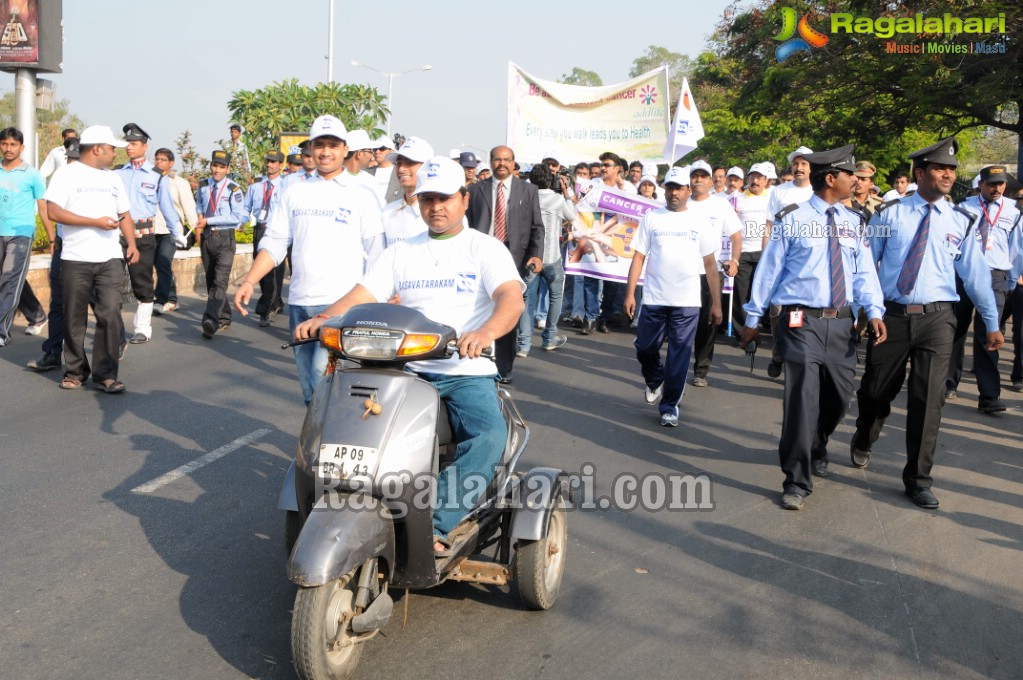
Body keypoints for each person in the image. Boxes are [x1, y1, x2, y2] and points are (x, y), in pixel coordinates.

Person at [293, 156, 524, 549]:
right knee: (340, 424)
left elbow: (511, 299)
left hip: (463, 370)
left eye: (445, 198)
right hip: (403, 371)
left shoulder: (484, 249)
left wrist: (484, 332)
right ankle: (338, 504)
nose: (436, 207)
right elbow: (365, 294)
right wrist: (326, 317)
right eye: (427, 198)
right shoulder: (401, 251)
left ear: (464, 199)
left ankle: (436, 523)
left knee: (489, 436)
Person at [850, 137, 1003, 510]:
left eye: (951, 169)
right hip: (893, 317)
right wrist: (864, 309)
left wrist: (992, 321)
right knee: (875, 392)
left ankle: (918, 479)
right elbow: (866, 265)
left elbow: (976, 276)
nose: (948, 174)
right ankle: (865, 435)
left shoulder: (961, 221)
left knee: (928, 400)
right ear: (920, 174)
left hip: (938, 318)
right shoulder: (889, 215)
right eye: (940, 168)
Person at [740, 145, 887, 510]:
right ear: (831, 178)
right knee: (801, 401)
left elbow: (864, 272)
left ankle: (816, 442)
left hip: (842, 324)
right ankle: (796, 480)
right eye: (850, 174)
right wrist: (752, 317)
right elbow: (769, 270)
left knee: (839, 399)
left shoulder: (855, 223)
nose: (857, 180)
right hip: (800, 320)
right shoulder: (792, 218)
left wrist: (875, 310)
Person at [234, 115, 384, 403]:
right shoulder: (294, 190)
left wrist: (378, 296)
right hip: (300, 302)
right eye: (320, 144)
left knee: (322, 377)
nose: (326, 151)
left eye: (333, 145)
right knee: (309, 388)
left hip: (342, 303)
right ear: (311, 149)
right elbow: (276, 241)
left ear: (344, 149)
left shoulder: (362, 194)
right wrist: (250, 280)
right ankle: (320, 441)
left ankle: (331, 439)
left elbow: (377, 249)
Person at [43, 125, 139, 392]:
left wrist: (131, 242)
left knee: (109, 313)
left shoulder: (113, 178)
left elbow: (125, 215)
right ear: (97, 148)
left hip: (109, 258)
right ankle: (75, 372)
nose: (114, 154)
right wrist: (94, 222)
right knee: (74, 318)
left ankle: (106, 374)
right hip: (75, 258)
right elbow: (53, 212)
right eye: (111, 149)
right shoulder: (66, 175)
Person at [625, 166, 721, 427]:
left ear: (688, 190)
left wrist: (716, 304)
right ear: (663, 189)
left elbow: (710, 265)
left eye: (679, 188)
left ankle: (669, 406)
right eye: (669, 187)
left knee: (679, 354)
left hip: (687, 301)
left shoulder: (699, 221)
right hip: (655, 298)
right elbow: (639, 258)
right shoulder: (652, 217)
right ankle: (655, 379)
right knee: (645, 347)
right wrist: (631, 293)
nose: (674, 192)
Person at [945, 164, 1022, 411]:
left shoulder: (1014, 211)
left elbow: (1016, 248)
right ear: (981, 185)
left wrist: (1011, 279)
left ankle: (989, 395)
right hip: (964, 275)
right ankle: (948, 383)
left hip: (994, 276)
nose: (997, 188)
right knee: (955, 328)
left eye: (1001, 184)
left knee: (989, 332)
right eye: (991, 184)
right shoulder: (964, 207)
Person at [466, 145, 543, 384]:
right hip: (479, 258)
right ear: (490, 162)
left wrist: (536, 255)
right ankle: (475, 360)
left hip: (513, 259)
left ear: (513, 162)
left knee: (508, 310)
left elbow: (537, 227)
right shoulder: (476, 190)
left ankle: (504, 368)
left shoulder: (528, 190)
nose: (502, 164)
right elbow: (466, 223)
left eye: (506, 160)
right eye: (497, 160)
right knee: (477, 308)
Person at [115, 123, 187, 344]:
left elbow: (167, 207)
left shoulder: (157, 176)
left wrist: (177, 233)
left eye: (134, 143)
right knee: (112, 283)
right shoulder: (117, 173)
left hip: (143, 235)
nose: (129, 147)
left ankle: (143, 327)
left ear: (144, 147)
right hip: (117, 236)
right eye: (127, 143)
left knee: (142, 282)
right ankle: (113, 330)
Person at [686, 159, 742, 387]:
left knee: (707, 324)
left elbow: (736, 236)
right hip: (682, 272)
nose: (698, 180)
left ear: (710, 180)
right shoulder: (680, 203)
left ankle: (700, 370)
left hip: (710, 273)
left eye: (703, 176)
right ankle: (676, 365)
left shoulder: (720, 205)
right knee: (680, 323)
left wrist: (735, 259)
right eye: (694, 176)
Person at [27, 138, 80, 372]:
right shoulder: (58, 183)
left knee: (100, 306)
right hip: (62, 248)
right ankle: (52, 353)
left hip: (89, 254)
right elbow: (48, 211)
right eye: (69, 159)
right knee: (57, 303)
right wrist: (51, 240)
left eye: (76, 159)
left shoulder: (100, 183)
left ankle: (113, 342)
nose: (72, 163)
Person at [763, 145, 815, 377]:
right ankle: (778, 353)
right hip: (782, 261)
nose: (799, 167)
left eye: (804, 164)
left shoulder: (819, 191)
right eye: (796, 163)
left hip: (810, 263)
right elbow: (768, 227)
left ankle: (798, 359)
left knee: (804, 313)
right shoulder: (780, 192)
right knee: (777, 311)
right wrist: (767, 259)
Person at [0, 127, 53, 347]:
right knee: (12, 279)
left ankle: (2, 332)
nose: (8, 148)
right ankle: (37, 315)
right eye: (4, 144)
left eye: (13, 144)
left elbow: (43, 207)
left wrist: (52, 238)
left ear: (21, 147)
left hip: (21, 234)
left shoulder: (32, 175)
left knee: (9, 279)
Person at [518, 163, 572, 355]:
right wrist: (566, 193)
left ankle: (523, 345)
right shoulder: (557, 199)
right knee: (556, 297)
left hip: (531, 256)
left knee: (527, 300)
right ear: (551, 179)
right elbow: (571, 216)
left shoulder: (525, 198)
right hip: (552, 256)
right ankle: (549, 338)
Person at [195, 149, 247, 339]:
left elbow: (236, 217)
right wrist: (200, 216)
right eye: (214, 165)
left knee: (220, 281)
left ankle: (210, 320)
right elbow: (199, 205)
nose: (217, 170)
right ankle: (224, 316)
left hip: (225, 239)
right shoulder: (202, 186)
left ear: (227, 169)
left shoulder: (234, 189)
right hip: (208, 238)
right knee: (211, 282)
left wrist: (208, 220)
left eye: (221, 167)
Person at [242, 150, 286, 326]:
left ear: (280, 165)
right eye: (268, 161)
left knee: (275, 272)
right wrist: (242, 221)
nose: (269, 164)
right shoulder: (256, 186)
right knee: (262, 270)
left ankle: (265, 309)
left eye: (274, 162)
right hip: (260, 230)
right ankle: (275, 302)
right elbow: (246, 208)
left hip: (278, 231)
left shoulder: (286, 185)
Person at [152, 147, 198, 316]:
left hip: (171, 231)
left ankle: (161, 300)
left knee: (163, 261)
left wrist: (196, 231)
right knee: (158, 263)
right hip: (151, 228)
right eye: (157, 159)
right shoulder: (149, 179)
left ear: (171, 163)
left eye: (163, 160)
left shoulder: (180, 183)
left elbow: (189, 209)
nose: (159, 162)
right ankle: (172, 298)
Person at [730, 162, 772, 332]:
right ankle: (742, 331)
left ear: (765, 180)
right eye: (752, 177)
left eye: (758, 177)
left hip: (765, 252)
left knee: (762, 292)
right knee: (741, 293)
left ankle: (759, 327)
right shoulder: (737, 198)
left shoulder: (772, 198)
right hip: (743, 252)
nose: (755, 180)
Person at [381, 136, 434, 247]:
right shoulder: (387, 212)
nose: (401, 169)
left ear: (427, 167)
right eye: (398, 163)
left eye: (409, 163)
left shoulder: (442, 215)